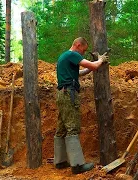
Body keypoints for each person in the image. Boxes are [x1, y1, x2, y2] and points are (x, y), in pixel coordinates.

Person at [54, 37, 108, 174]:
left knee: (61, 128)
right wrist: (101, 59)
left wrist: (91, 68)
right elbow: (94, 65)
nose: (83, 53)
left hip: (62, 93)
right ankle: (77, 165)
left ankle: (60, 162)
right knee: (73, 127)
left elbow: (79, 73)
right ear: (78, 45)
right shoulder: (73, 54)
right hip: (69, 94)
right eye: (83, 50)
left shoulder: (64, 57)